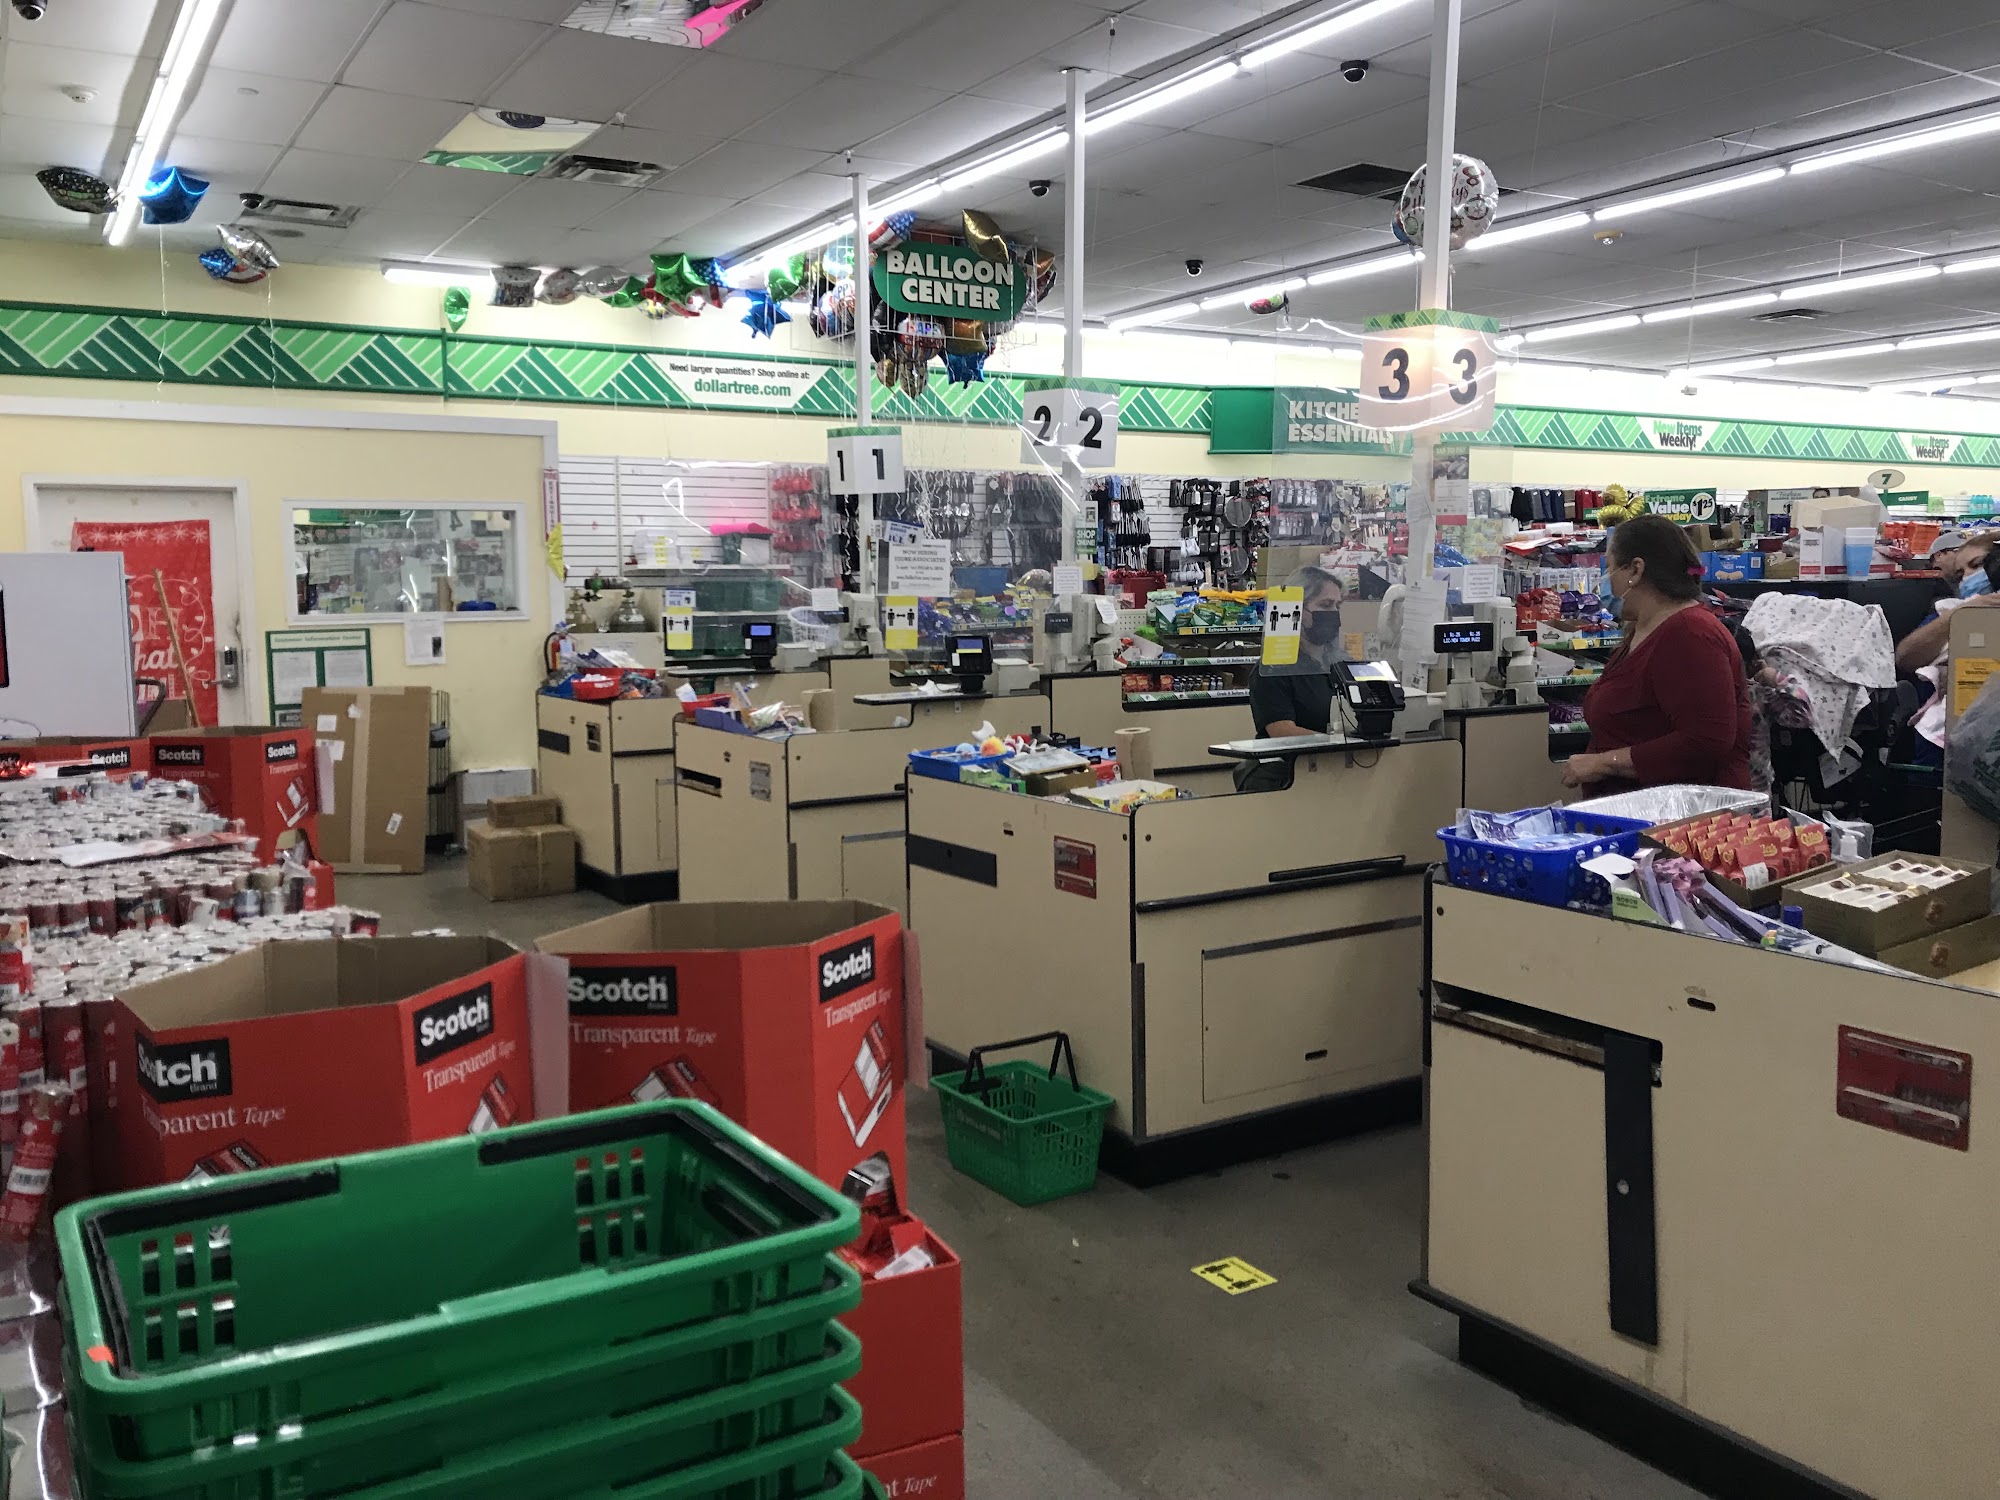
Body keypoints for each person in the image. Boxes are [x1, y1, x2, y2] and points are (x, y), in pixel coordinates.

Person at [1562, 515, 1754, 793]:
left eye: (1610, 567)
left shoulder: (1691, 634)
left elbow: (1706, 740)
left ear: (1635, 570)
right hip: (1636, 809)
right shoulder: (1642, 628)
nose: (1605, 580)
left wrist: (1603, 763)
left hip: (1685, 814)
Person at [1237, 566, 1347, 791]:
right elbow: (1281, 730)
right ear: (1297, 608)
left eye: (1338, 606)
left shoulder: (1341, 662)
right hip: (1285, 777)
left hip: (1336, 771)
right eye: (1326, 605)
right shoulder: (1273, 668)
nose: (1333, 613)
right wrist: (1337, 742)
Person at [1895, 530, 1997, 674]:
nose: (1967, 576)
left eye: (1976, 564)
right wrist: (1958, 615)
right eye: (1960, 575)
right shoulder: (1950, 609)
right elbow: (1905, 659)